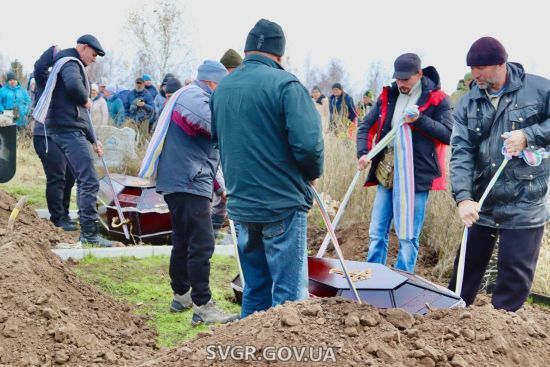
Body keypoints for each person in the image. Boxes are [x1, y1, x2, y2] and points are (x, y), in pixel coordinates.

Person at [211, 19, 324, 318]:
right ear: (279, 55)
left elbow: (218, 140)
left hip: (242, 205)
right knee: (288, 296)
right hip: (281, 203)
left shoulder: (221, 90)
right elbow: (309, 146)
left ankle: (251, 356)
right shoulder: (287, 85)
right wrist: (312, 173)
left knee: (255, 288)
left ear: (246, 50)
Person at [448, 37, 550, 312]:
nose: (475, 73)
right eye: (472, 67)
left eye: (481, 67)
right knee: (461, 279)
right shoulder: (468, 103)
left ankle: (501, 341)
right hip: (483, 201)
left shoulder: (539, 89)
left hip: (525, 200)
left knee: (513, 282)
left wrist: (528, 136)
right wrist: (463, 198)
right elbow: (461, 153)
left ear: (501, 64)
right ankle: (447, 329)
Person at [155, 60, 238, 325]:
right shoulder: (194, 97)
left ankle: (181, 295)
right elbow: (216, 128)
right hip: (188, 182)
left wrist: (220, 187)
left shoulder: (195, 96)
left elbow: (204, 151)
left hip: (185, 180)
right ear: (213, 82)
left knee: (183, 240)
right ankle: (203, 305)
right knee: (202, 243)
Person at [356, 53, 452, 273]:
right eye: (398, 79)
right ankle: (372, 275)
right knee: (377, 230)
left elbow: (448, 134)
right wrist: (363, 152)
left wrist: (420, 120)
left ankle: (403, 277)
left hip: (416, 175)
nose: (401, 84)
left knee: (408, 235)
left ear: (419, 74)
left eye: (406, 79)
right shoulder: (388, 96)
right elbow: (365, 126)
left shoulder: (439, 99)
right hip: (387, 171)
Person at [33, 34, 114, 247]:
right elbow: (74, 88)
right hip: (66, 131)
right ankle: (88, 233)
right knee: (88, 179)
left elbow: (81, 115)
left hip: (68, 129)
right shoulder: (70, 63)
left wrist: (94, 140)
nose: (95, 59)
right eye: (94, 54)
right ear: (84, 48)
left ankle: (81, 225)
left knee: (77, 177)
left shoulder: (69, 63)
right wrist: (85, 98)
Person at [32, 45, 76, 232]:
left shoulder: (66, 84)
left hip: (62, 136)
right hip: (45, 135)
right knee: (57, 177)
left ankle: (64, 214)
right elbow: (39, 67)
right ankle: (57, 218)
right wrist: (53, 51)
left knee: (70, 176)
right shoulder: (46, 80)